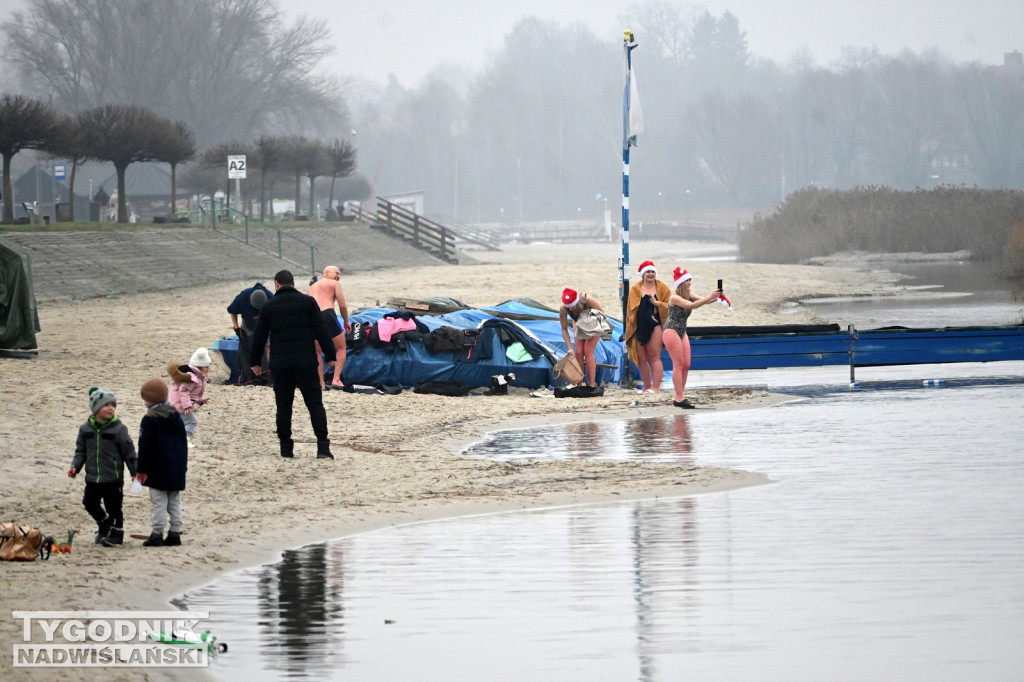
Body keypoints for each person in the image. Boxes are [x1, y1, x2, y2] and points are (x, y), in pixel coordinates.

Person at [248, 269, 338, 459]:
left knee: (284, 407)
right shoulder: (308, 302)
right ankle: (323, 448)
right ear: (293, 283)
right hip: (306, 363)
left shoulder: (269, 307)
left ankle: (286, 449)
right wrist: (330, 355)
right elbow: (321, 330)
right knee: (315, 405)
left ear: (277, 284)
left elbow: (259, 338)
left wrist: (255, 362)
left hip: (281, 365)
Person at [67, 387, 138, 547]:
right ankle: (104, 525)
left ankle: (117, 535)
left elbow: (129, 452)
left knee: (114, 508)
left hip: (113, 478)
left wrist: (135, 471)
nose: (111, 408)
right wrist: (75, 467)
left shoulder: (119, 429)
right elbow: (81, 452)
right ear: (96, 408)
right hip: (93, 477)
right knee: (89, 503)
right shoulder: (85, 429)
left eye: (113, 405)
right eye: (107, 405)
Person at [135, 377, 188, 547]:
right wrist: (182, 467)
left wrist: (141, 470)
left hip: (157, 468)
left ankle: (157, 534)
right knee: (174, 501)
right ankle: (175, 533)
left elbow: (145, 447)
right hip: (176, 467)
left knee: (159, 502)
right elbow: (183, 444)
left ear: (148, 399)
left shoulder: (149, 419)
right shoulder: (176, 417)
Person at [663, 267, 722, 408]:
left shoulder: (690, 294)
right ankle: (679, 398)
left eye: (690, 279)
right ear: (681, 283)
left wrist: (718, 296)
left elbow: (705, 301)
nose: (689, 282)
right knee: (678, 364)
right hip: (671, 330)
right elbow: (692, 305)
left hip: (682, 331)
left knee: (686, 364)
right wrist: (710, 296)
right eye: (687, 280)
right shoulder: (674, 297)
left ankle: (680, 394)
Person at [625, 260, 672, 393]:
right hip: (639, 325)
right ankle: (646, 386)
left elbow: (670, 306)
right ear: (642, 274)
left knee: (654, 356)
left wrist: (656, 303)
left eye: (652, 272)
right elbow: (630, 310)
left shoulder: (663, 288)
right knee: (640, 357)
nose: (650, 274)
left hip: (656, 323)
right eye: (648, 272)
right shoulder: (635, 288)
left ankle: (655, 387)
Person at [559, 287, 613, 387]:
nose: (571, 309)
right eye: (568, 307)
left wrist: (590, 324)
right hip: (578, 322)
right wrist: (569, 347)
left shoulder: (586, 299)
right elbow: (564, 329)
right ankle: (580, 383)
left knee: (588, 351)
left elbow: (602, 312)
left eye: (573, 306)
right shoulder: (563, 308)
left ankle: (592, 384)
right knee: (579, 352)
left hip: (594, 322)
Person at [307, 265, 350, 390]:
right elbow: (342, 305)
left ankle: (321, 383)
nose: (338, 276)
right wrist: (346, 321)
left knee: (317, 352)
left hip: (313, 318)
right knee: (341, 348)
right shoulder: (333, 283)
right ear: (325, 272)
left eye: (340, 274)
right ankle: (336, 379)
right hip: (327, 315)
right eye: (336, 272)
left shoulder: (311, 288)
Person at [228, 282, 273, 385]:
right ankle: (248, 377)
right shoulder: (243, 296)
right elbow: (232, 311)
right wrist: (237, 328)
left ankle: (266, 376)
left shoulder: (271, 297)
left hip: (266, 326)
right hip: (248, 325)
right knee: (246, 347)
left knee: (266, 348)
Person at [168, 347, 212, 448]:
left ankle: (174, 439)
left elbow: (193, 394)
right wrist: (187, 406)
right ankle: (186, 440)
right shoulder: (192, 377)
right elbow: (183, 392)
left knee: (180, 422)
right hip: (180, 404)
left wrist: (200, 401)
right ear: (199, 367)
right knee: (192, 421)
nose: (208, 369)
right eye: (206, 367)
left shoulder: (197, 376)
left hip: (179, 403)